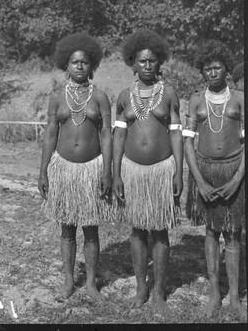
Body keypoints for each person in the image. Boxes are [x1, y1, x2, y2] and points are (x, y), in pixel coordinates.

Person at [112, 29, 183, 311]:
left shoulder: (169, 94)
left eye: (152, 61)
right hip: (133, 171)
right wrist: (116, 173)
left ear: (159, 62)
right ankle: (141, 289)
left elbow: (176, 134)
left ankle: (159, 293)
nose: (147, 65)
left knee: (160, 231)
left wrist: (179, 172)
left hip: (161, 170)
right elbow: (118, 136)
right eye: (142, 61)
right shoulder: (123, 97)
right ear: (133, 64)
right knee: (138, 231)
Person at [38, 32, 112, 300]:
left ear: (92, 66)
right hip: (63, 169)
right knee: (67, 227)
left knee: (91, 228)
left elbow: (106, 134)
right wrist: (43, 170)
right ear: (65, 66)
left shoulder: (101, 97)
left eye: (84, 62)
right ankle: (69, 281)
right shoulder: (57, 98)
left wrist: (107, 170)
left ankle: (91, 283)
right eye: (74, 62)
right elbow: (50, 134)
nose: (79, 66)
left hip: (92, 168)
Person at [184, 40, 245, 319]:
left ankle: (234, 297)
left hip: (235, 170)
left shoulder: (241, 98)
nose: (213, 72)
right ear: (202, 71)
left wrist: (237, 179)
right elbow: (187, 144)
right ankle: (214, 295)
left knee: (233, 234)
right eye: (207, 68)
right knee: (210, 232)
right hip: (205, 171)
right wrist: (200, 181)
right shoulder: (196, 100)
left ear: (227, 69)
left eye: (218, 67)